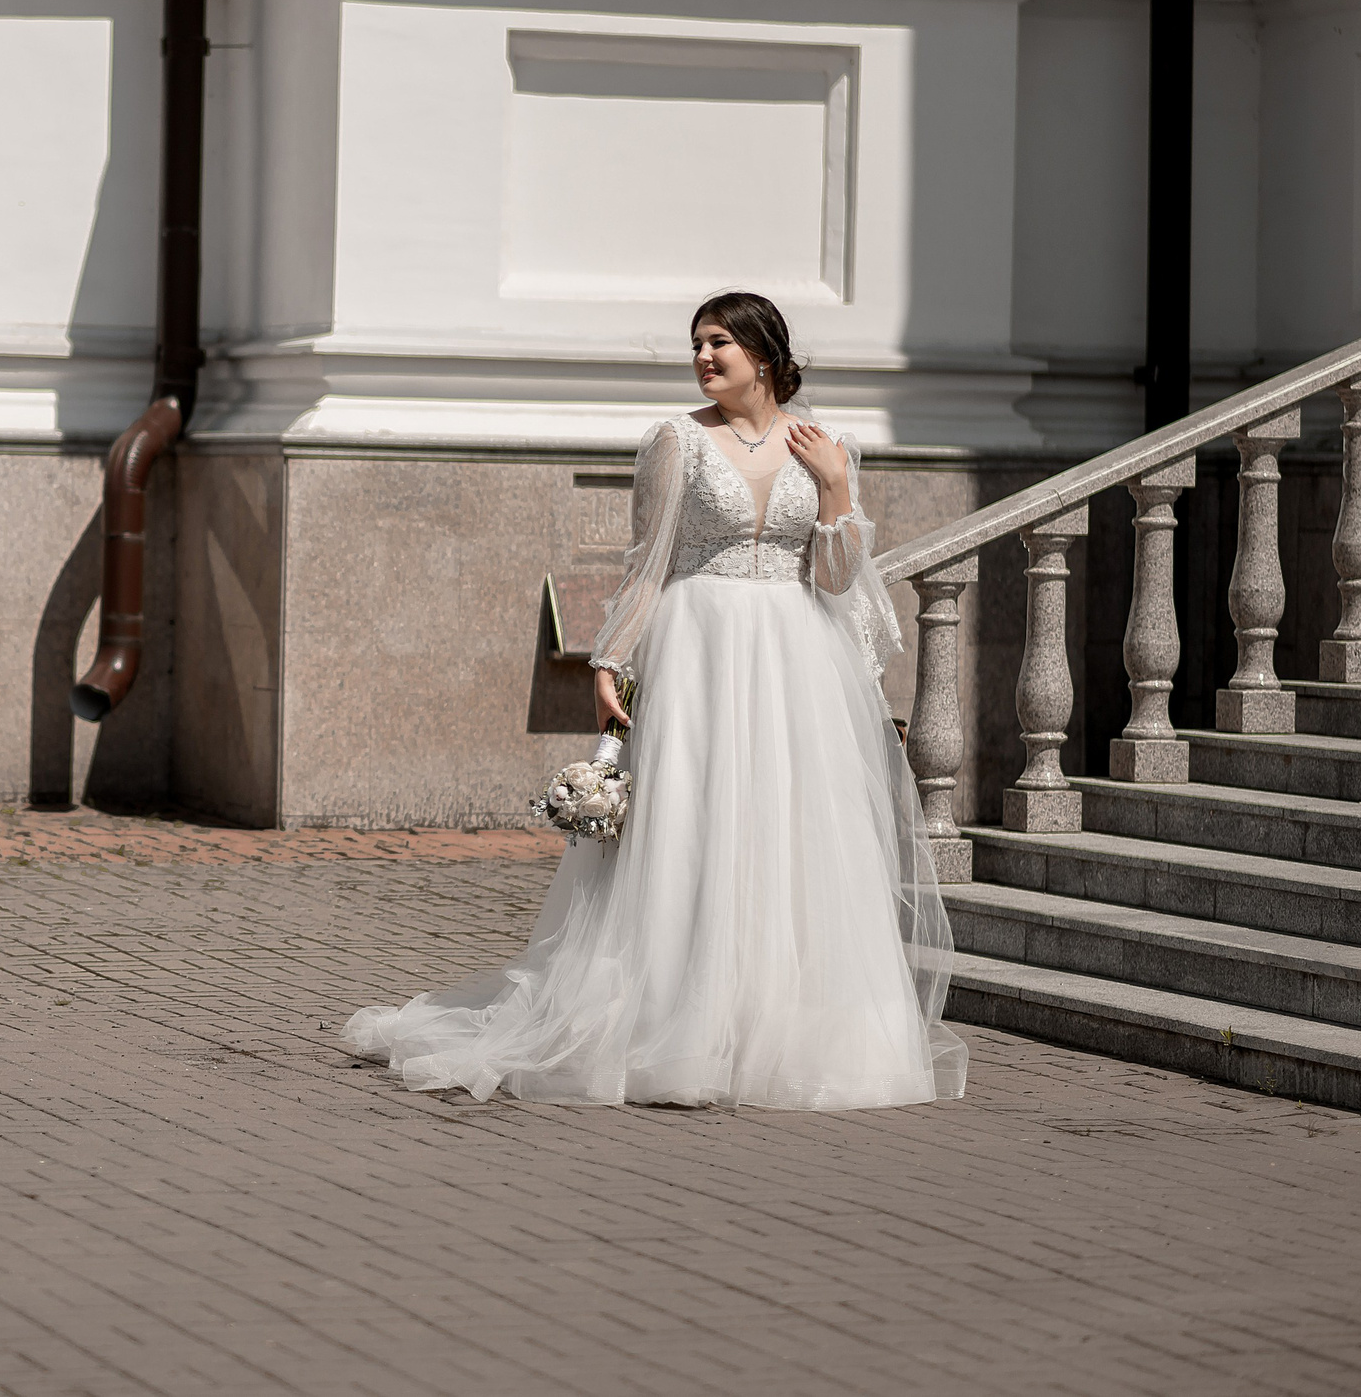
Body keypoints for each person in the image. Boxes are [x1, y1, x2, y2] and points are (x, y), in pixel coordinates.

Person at [345, 291, 967, 1109]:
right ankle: (672, 1019)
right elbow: (649, 559)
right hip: (697, 644)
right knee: (690, 821)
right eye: (698, 344)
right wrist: (610, 659)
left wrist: (837, 490)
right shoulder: (676, 440)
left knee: (789, 826)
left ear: (765, 354)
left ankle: (780, 1027)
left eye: (720, 344)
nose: (705, 357)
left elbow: (835, 578)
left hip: (793, 655)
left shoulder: (828, 445)